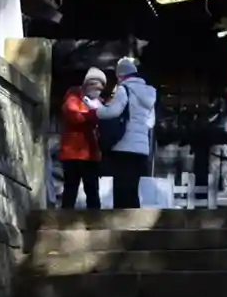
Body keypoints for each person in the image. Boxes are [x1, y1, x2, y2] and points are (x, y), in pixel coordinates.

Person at [97, 55, 159, 209]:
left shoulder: (124, 89)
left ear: (121, 75)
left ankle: (120, 220)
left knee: (121, 188)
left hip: (124, 145)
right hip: (141, 148)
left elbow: (113, 112)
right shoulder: (149, 94)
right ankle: (134, 220)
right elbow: (151, 122)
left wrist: (96, 108)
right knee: (133, 188)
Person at [58, 67, 106, 209]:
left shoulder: (100, 103)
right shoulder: (73, 97)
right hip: (73, 152)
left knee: (92, 190)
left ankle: (95, 218)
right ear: (86, 85)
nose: (97, 90)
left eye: (100, 88)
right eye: (94, 86)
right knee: (71, 188)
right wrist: (94, 114)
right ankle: (65, 218)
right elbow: (74, 116)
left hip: (91, 153)